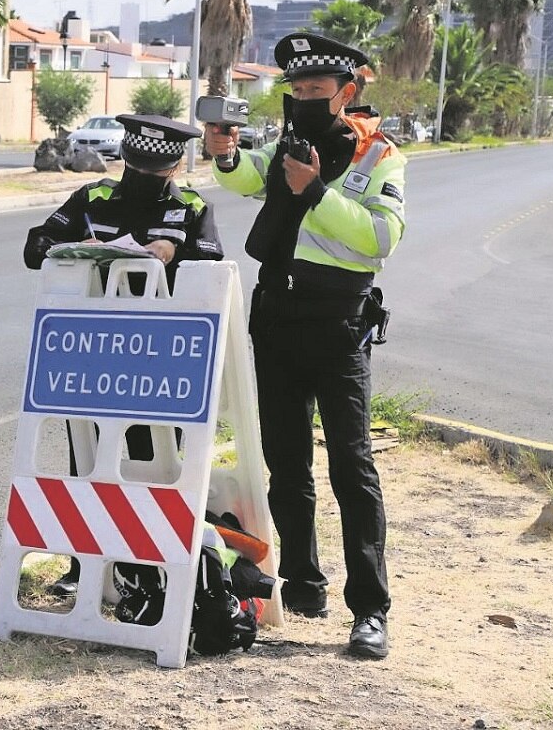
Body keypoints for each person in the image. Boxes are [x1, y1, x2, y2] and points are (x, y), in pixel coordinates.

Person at [203, 32, 407, 659]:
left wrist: (316, 193)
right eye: (296, 91)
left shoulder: (380, 157)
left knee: (352, 465)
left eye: (317, 92)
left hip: (339, 322)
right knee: (287, 462)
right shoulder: (287, 143)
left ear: (347, 93)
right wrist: (226, 152)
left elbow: (381, 238)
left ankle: (370, 610)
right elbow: (242, 180)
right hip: (277, 316)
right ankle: (301, 581)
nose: (304, 100)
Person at [24, 114, 225, 598]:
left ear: (173, 167)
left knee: (154, 460)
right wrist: (77, 245)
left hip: (161, 361)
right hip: (95, 355)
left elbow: (215, 267)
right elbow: (36, 247)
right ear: (126, 160)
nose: (142, 176)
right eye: (137, 166)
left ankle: (147, 568)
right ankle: (84, 566)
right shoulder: (92, 199)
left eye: (150, 171)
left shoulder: (191, 208)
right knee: (88, 457)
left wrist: (173, 254)